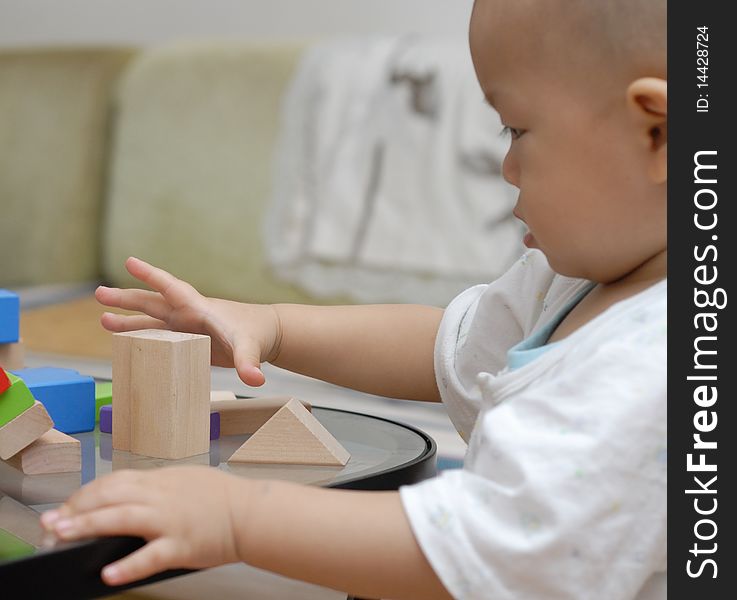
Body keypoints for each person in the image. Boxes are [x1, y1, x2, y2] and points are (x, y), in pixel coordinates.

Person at [40, 0, 667, 598]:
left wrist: (237, 518)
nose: (505, 167)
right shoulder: (575, 280)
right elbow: (444, 345)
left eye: (517, 127)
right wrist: (272, 326)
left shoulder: (655, 365)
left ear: (657, 134)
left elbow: (484, 548)